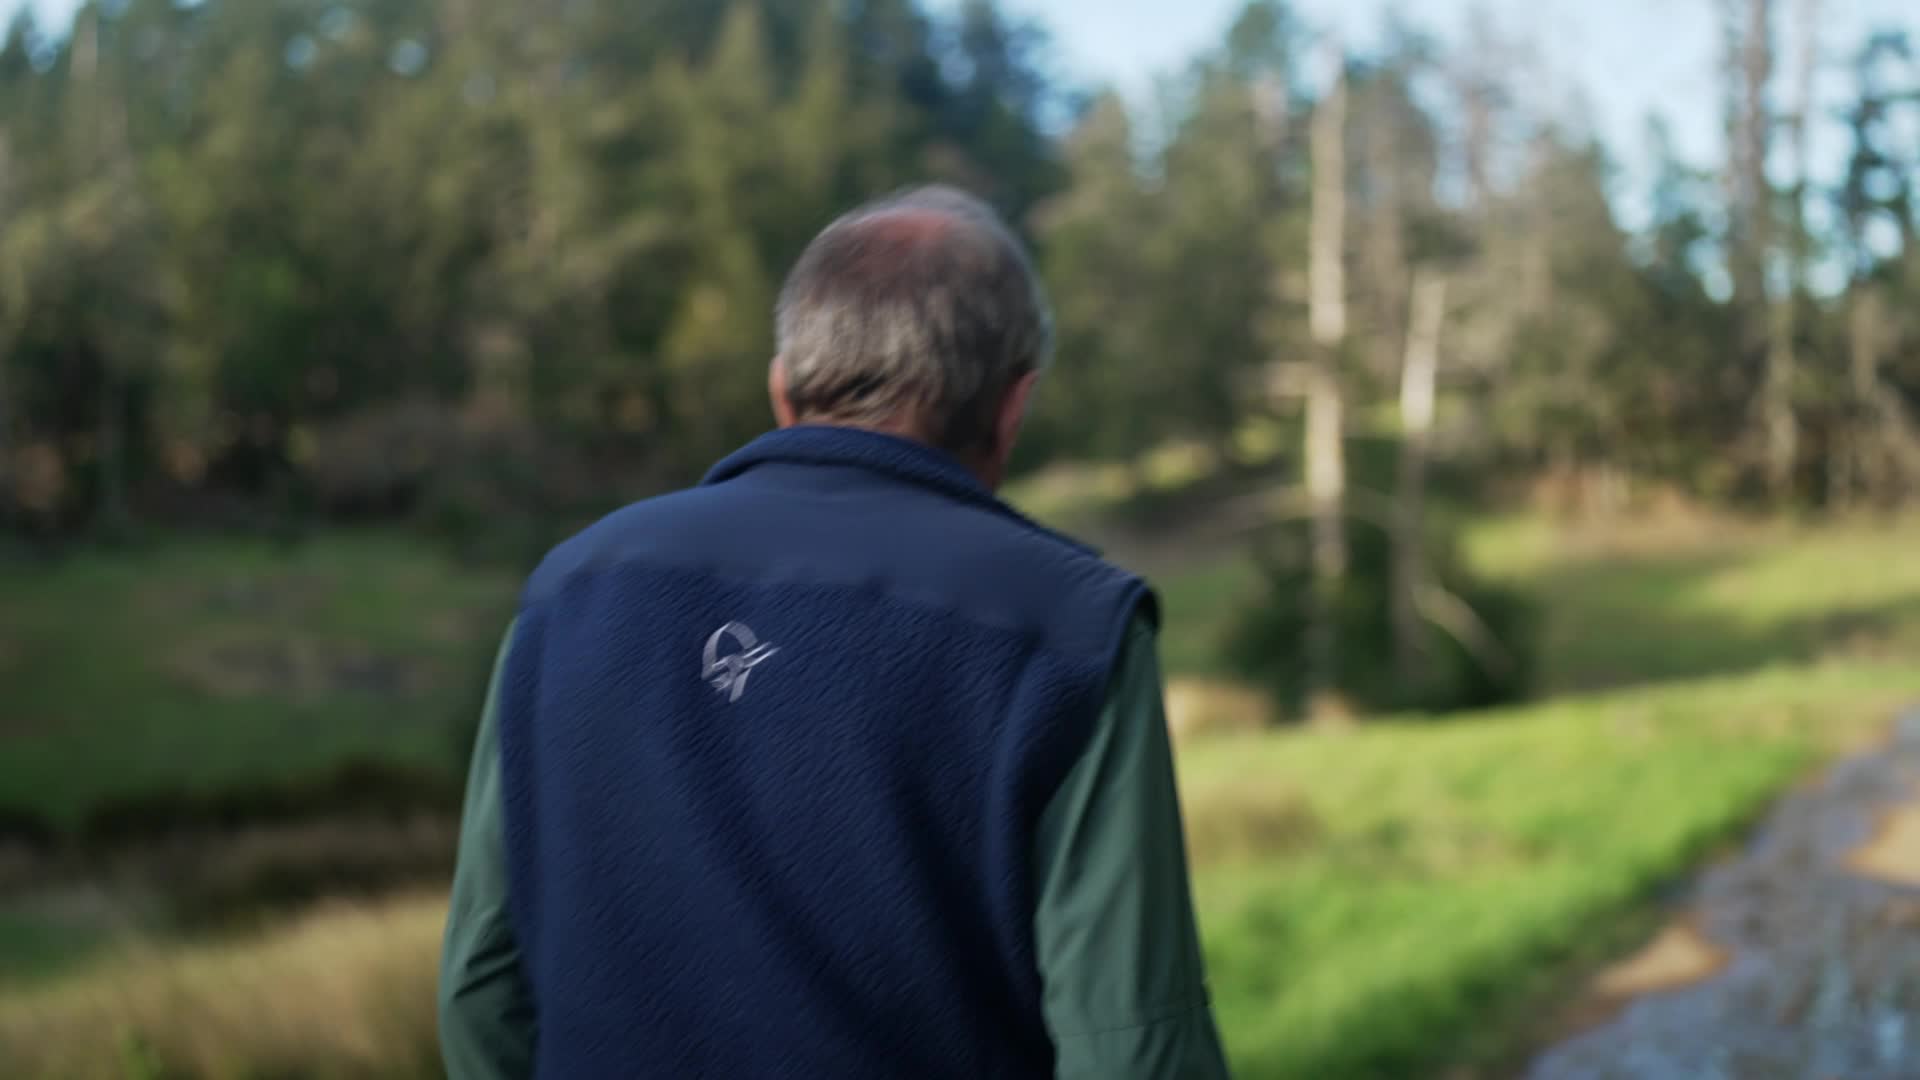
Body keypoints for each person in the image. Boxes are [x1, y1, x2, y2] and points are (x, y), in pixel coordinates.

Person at [438, 185, 1231, 1079]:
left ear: (782, 389)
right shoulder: (1069, 629)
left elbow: (482, 988)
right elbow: (1134, 1049)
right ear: (1013, 405)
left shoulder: (569, 592)